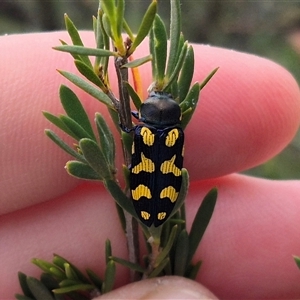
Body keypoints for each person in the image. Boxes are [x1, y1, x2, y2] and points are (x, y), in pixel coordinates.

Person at [1, 31, 300, 299]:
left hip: (148, 199)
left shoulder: (143, 130)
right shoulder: (174, 134)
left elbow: (133, 135)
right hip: (156, 199)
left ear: (144, 113)